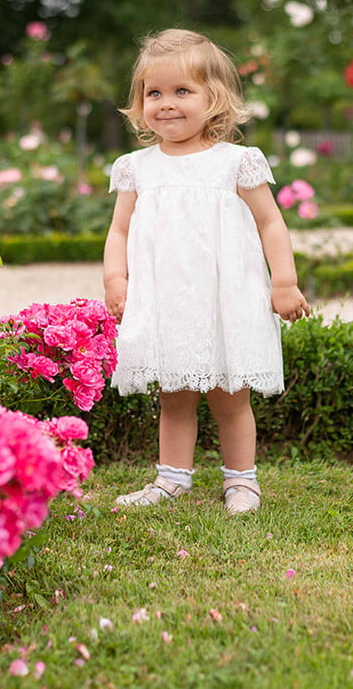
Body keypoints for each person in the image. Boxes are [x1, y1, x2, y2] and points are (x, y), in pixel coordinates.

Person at [103, 29, 310, 514]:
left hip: (224, 299)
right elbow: (118, 232)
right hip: (168, 299)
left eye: (182, 91)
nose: (166, 104)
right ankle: (172, 478)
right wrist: (117, 279)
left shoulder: (235, 163)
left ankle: (241, 481)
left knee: (230, 396)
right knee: (174, 395)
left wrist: (284, 282)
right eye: (154, 93)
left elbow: (271, 223)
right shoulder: (137, 168)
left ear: (213, 98)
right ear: (140, 102)